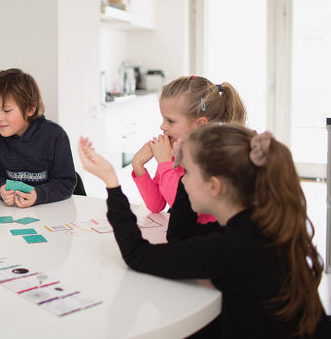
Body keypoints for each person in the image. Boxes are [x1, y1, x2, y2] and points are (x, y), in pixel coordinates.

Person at [78, 124, 330, 338]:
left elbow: (138, 255)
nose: (182, 179)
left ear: (214, 187)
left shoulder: (232, 245)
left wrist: (111, 183)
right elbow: (181, 236)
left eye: (186, 173)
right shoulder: (256, 222)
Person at [132, 75, 246, 224]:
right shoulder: (174, 153)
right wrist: (138, 166)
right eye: (163, 119)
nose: (162, 126)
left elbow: (186, 210)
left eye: (170, 121)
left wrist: (165, 164)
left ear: (200, 124)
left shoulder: (215, 159)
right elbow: (156, 205)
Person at [0, 68, 76, 207]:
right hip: (7, 211)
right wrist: (0, 188)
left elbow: (65, 183)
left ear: (30, 109)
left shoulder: (55, 135)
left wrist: (38, 195)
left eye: (7, 110)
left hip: (48, 210)